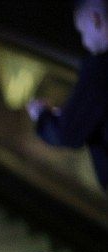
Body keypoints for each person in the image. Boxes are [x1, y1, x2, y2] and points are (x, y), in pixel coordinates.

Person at [28, 0, 108, 190]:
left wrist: (42, 115)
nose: (84, 41)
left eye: (82, 31)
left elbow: (66, 133)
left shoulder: (100, 68)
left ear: (95, 19)